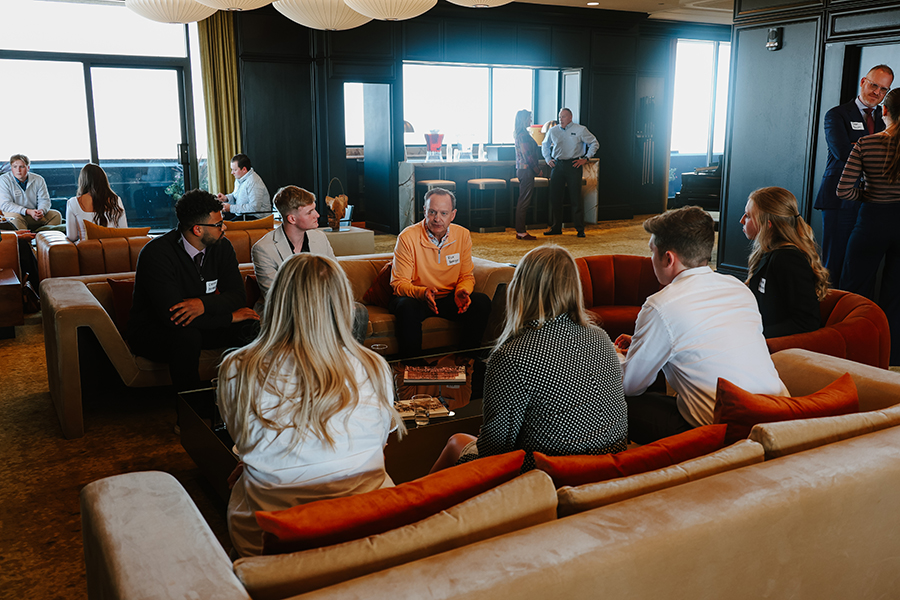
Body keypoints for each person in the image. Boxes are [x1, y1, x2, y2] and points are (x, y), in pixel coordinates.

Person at [218, 253, 405, 557]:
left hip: (272, 537)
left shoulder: (238, 368)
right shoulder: (373, 366)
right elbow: (378, 443)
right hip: (368, 525)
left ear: (277, 301)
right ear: (343, 303)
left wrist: (262, 459)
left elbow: (243, 439)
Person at [431, 245, 628, 473]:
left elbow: (494, 450)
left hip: (550, 473)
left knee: (456, 442)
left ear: (520, 289)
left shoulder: (511, 356)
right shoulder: (600, 337)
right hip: (609, 465)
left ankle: (412, 495)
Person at [615, 206, 787, 444]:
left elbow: (630, 386)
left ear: (668, 259)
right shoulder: (738, 287)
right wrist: (642, 345)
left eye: (652, 251)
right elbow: (708, 343)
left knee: (615, 400)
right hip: (779, 417)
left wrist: (614, 357)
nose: (651, 258)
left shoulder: (660, 306)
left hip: (725, 433)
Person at [127, 189, 260, 391]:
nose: (224, 227)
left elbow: (237, 296)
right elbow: (174, 316)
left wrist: (202, 304)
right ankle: (192, 407)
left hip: (202, 323)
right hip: (155, 331)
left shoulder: (222, 247)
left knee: (251, 326)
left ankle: (249, 397)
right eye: (218, 224)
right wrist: (229, 317)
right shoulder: (156, 254)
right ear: (197, 229)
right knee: (187, 337)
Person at [251, 185, 368, 341]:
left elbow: (336, 276)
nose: (317, 215)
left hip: (321, 305)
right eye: (310, 212)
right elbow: (276, 296)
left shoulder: (319, 238)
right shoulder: (263, 248)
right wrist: (320, 307)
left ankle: (345, 356)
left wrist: (341, 300)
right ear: (292, 219)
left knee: (358, 311)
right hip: (285, 312)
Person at [814, 64, 894, 287]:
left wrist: (858, 147)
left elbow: (886, 154)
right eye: (874, 85)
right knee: (834, 261)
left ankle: (858, 309)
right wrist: (876, 152)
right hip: (840, 199)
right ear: (863, 82)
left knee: (862, 267)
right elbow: (841, 152)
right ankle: (830, 307)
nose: (877, 92)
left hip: (872, 201)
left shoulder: (886, 118)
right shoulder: (837, 114)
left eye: (883, 89)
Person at [838, 87, 900, 366]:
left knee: (855, 288)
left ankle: (853, 351)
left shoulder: (866, 143)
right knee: (896, 293)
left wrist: (868, 195)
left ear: (884, 110)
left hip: (872, 220)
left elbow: (843, 190)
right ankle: (891, 356)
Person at [389, 187, 491, 357]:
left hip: (448, 297)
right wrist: (423, 293)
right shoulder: (407, 237)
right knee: (405, 306)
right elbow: (398, 284)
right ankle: (413, 364)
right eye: (432, 212)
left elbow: (466, 276)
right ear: (424, 211)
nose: (437, 219)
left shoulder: (463, 235)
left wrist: (462, 291)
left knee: (481, 302)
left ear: (453, 215)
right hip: (417, 297)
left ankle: (466, 360)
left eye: (444, 213)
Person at [741, 187, 829, 338]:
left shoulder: (787, 259)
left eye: (748, 216)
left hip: (773, 344)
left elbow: (807, 322)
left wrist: (753, 335)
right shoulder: (769, 252)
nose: (742, 220)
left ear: (767, 225)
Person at [540, 108, 598, 238]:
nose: (561, 119)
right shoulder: (553, 130)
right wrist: (548, 159)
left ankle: (580, 229)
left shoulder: (580, 129)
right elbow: (545, 144)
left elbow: (594, 143)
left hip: (573, 165)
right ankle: (556, 227)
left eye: (564, 117)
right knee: (555, 197)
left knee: (575, 198)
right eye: (560, 117)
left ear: (570, 117)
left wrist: (586, 158)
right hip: (557, 165)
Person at [65, 163, 127, 242]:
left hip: (88, 248)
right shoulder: (116, 200)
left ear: (82, 181)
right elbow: (124, 230)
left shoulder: (73, 202)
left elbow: (72, 237)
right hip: (112, 247)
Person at [0, 154, 62, 232]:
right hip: (15, 214)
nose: (18, 170)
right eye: (14, 167)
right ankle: (27, 239)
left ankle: (42, 236)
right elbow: (5, 205)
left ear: (28, 168)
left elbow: (44, 200)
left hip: (33, 215)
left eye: (21, 167)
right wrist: (27, 211)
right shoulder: (3, 180)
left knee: (56, 215)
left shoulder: (38, 179)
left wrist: (41, 211)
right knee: (15, 217)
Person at [513, 109, 541, 240]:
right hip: (526, 171)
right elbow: (528, 156)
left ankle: (520, 230)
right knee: (524, 201)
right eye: (529, 118)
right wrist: (537, 170)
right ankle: (521, 231)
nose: (531, 120)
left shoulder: (520, 134)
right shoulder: (523, 135)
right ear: (524, 119)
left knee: (523, 200)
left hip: (523, 170)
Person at [216, 153, 270, 219]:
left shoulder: (254, 182)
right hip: (242, 213)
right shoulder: (239, 178)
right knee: (217, 218)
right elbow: (237, 197)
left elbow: (254, 208)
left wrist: (231, 208)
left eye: (235, 170)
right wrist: (226, 198)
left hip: (257, 217)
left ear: (244, 169)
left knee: (225, 224)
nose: (232, 172)